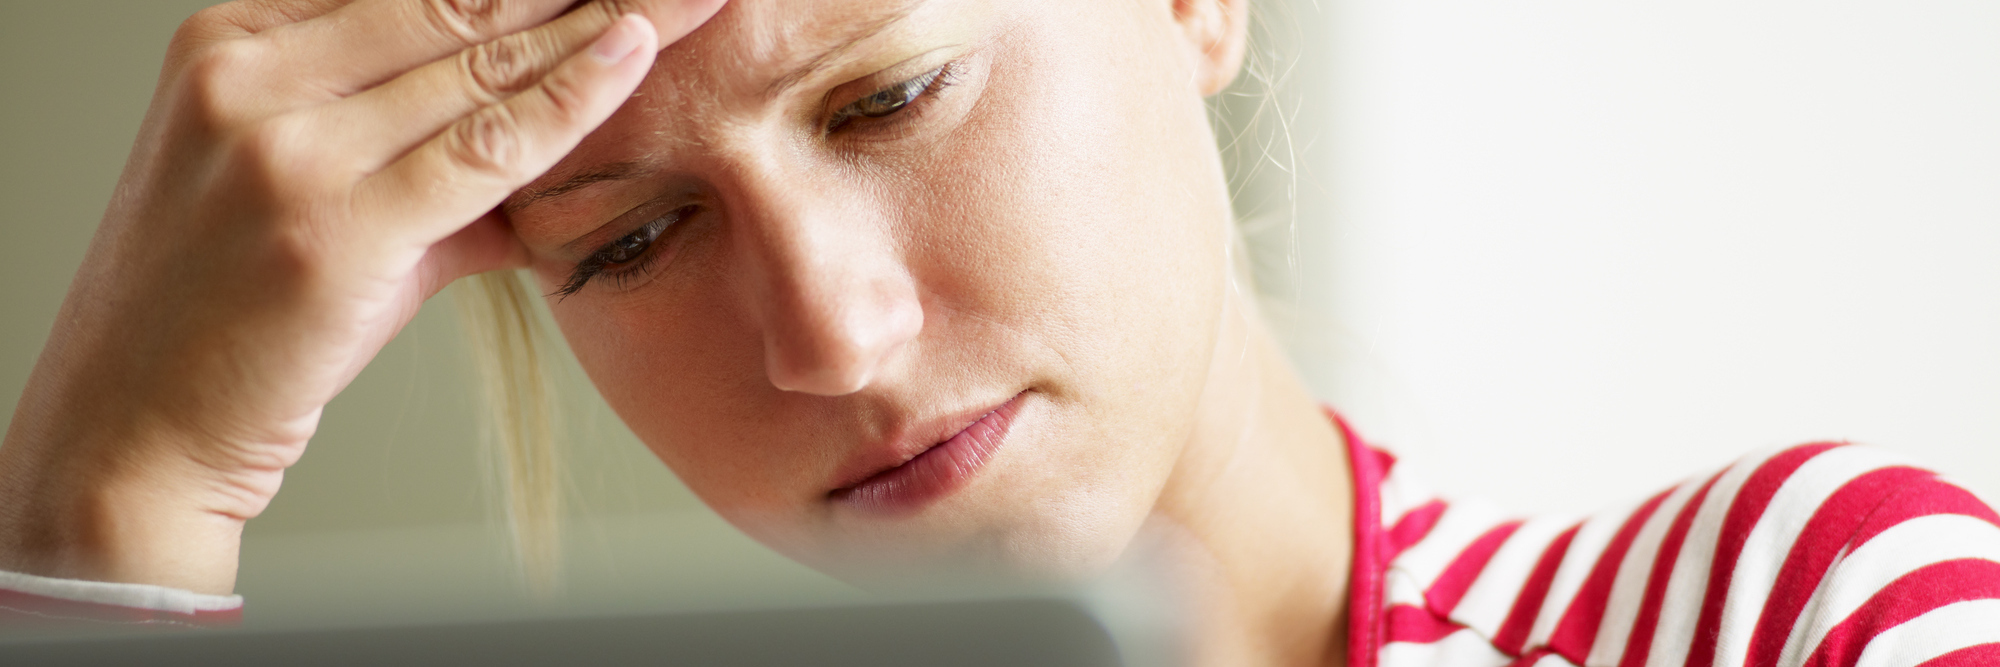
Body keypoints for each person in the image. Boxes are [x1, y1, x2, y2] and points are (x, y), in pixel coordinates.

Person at [0, 0, 1994, 664]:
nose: (834, 335)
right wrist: (121, 488)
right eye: (625, 243)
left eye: (891, 96)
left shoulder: (1796, 609)